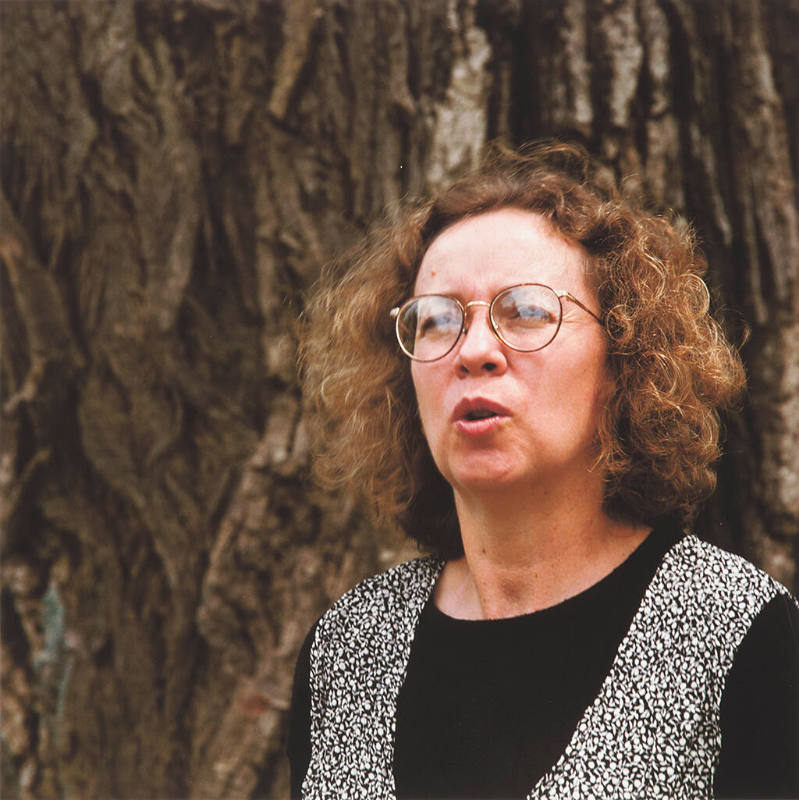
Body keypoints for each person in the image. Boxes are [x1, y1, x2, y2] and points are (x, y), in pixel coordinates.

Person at [289, 142, 799, 799]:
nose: (472, 351)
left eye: (525, 312)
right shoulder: (348, 651)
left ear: (621, 363)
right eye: (436, 321)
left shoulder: (732, 631)